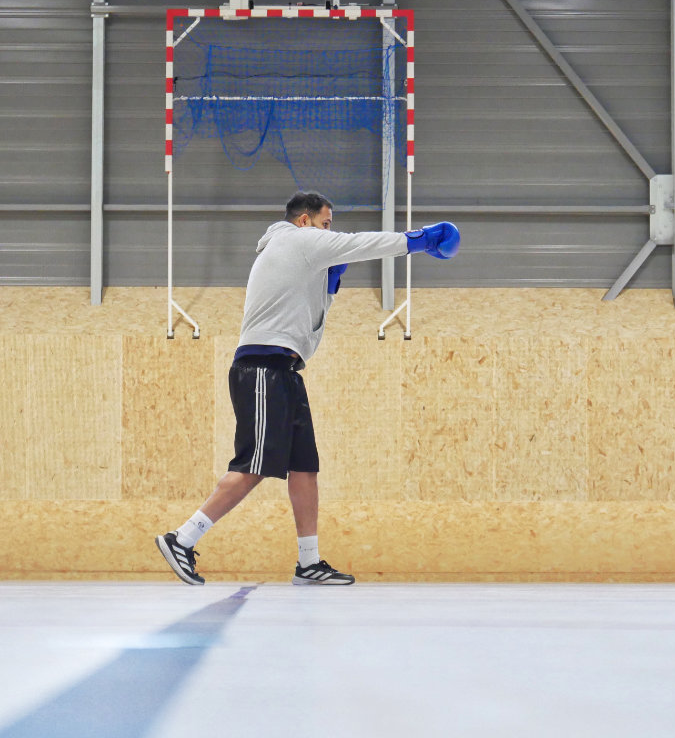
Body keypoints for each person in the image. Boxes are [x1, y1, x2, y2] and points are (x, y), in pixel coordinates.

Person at [156, 191, 459, 585]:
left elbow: (307, 340)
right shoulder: (295, 239)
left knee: (305, 469)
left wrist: (328, 293)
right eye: (326, 224)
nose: (329, 234)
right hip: (262, 368)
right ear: (305, 221)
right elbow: (360, 243)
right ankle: (181, 538)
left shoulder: (299, 260)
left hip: (285, 371)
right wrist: (418, 240)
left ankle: (308, 562)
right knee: (254, 465)